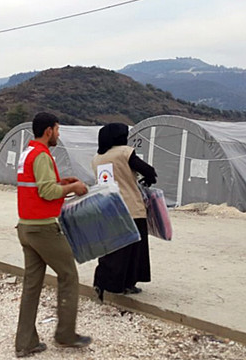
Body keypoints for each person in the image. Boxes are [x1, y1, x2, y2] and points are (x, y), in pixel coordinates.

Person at [15, 112, 92, 357]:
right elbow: (48, 192)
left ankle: (25, 343)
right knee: (68, 274)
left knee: (32, 285)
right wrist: (74, 187)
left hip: (26, 227)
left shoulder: (28, 152)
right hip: (43, 228)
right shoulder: (42, 155)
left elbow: (38, 185)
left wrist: (62, 180)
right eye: (57, 130)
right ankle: (65, 334)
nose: (58, 134)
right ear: (48, 131)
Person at [91, 123, 157, 302]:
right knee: (133, 250)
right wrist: (149, 178)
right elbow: (148, 170)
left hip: (107, 209)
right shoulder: (124, 153)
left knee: (111, 249)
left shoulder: (97, 158)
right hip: (130, 208)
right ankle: (126, 284)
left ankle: (102, 281)